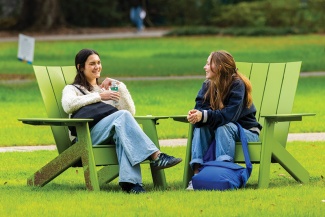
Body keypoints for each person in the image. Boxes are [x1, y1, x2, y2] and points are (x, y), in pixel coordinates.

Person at [61, 48, 182, 194]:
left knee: (123, 133)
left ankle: (131, 184)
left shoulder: (106, 89)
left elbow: (130, 114)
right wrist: (99, 97)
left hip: (109, 134)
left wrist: (120, 86)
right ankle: (156, 156)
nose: (97, 67)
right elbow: (68, 105)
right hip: (85, 136)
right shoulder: (72, 88)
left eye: (99, 63)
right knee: (122, 118)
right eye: (92, 64)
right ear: (80, 67)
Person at [186, 50, 262, 190]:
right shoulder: (208, 84)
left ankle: (223, 172)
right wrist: (195, 115)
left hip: (247, 133)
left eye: (208, 64)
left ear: (219, 67)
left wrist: (203, 115)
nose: (205, 67)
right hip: (222, 132)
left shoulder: (238, 85)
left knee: (224, 126)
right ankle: (196, 176)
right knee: (201, 126)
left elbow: (229, 116)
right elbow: (200, 107)